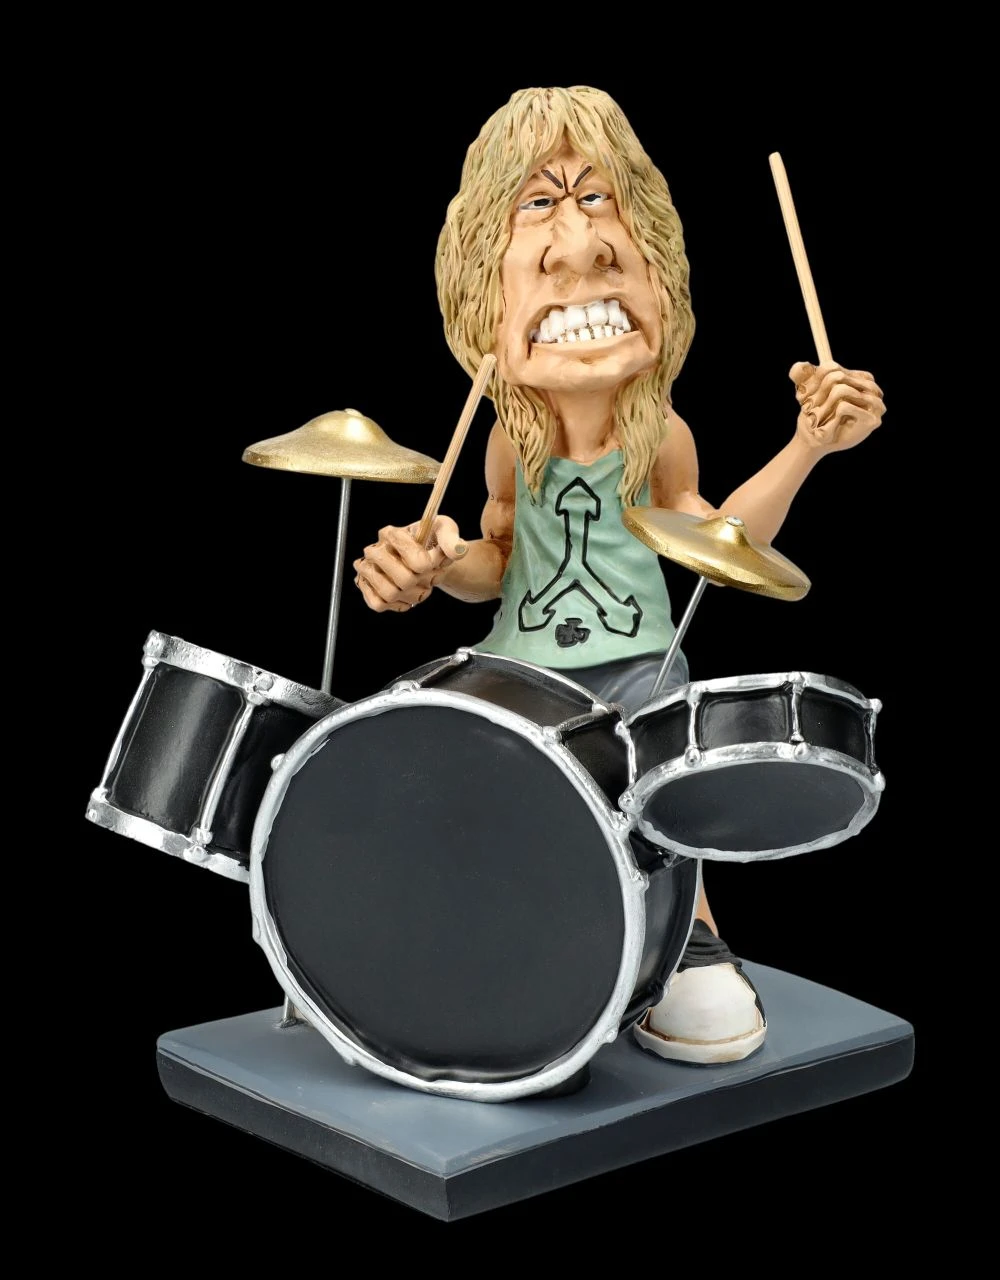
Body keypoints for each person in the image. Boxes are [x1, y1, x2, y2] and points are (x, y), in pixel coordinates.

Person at [353, 86, 885, 1064]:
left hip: (635, 662)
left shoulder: (660, 435)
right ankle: (480, 937)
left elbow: (719, 536)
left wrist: (806, 448)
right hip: (518, 668)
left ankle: (687, 934)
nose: (580, 245)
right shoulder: (509, 445)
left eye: (597, 200)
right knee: (456, 767)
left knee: (657, 764)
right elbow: (497, 563)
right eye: (540, 204)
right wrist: (439, 562)